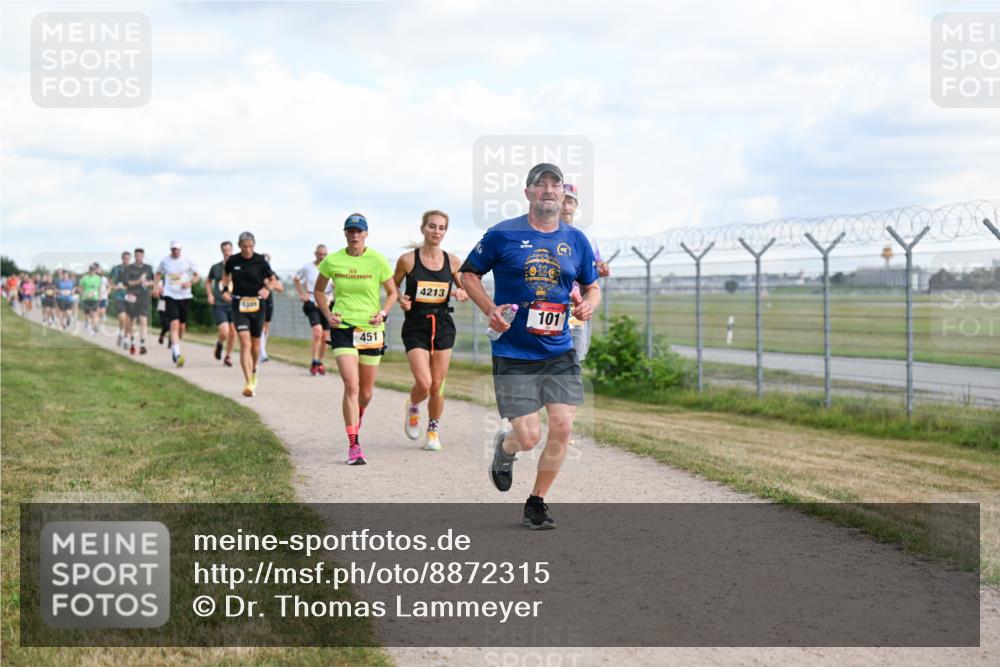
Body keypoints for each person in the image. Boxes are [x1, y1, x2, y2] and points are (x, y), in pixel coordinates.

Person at [460, 163, 600, 530]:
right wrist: (490, 308)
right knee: (528, 435)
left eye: (555, 184)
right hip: (513, 351)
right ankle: (505, 450)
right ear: (528, 193)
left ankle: (536, 501)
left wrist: (588, 304)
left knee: (563, 427)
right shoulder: (502, 234)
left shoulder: (577, 240)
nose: (549, 190)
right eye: (541, 185)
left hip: (559, 350)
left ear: (562, 194)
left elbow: (592, 286)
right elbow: (468, 273)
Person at [313, 213, 398, 465]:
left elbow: (393, 292)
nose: (354, 235)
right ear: (345, 233)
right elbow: (318, 291)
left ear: (366, 234)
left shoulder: (378, 260)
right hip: (344, 328)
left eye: (359, 231)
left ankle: (358, 413)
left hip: (371, 330)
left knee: (366, 391)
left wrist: (383, 313)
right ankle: (354, 445)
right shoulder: (332, 260)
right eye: (350, 231)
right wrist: (327, 314)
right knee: (351, 385)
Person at [392, 210, 468, 451]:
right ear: (423, 228)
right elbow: (392, 286)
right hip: (416, 325)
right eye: (432, 226)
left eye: (441, 228)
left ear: (445, 231)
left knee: (437, 385)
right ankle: (414, 405)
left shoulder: (453, 261)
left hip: (443, 324)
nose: (437, 231)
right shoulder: (408, 260)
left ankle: (433, 430)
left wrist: (461, 292)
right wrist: (400, 300)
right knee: (424, 384)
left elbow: (466, 288)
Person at [222, 232, 278, 397]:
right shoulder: (233, 261)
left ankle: (254, 370)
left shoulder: (260, 260)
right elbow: (226, 276)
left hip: (257, 305)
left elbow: (273, 280)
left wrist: (267, 289)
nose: (247, 249)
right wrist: (225, 290)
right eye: (244, 246)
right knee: (244, 343)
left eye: (250, 246)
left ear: (254, 245)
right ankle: (248, 382)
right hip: (239, 304)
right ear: (239, 246)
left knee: (255, 346)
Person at [560, 183, 610, 362]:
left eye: (570, 202)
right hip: (549, 302)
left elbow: (595, 265)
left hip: (576, 304)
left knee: (575, 355)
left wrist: (601, 268)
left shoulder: (586, 236)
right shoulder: (544, 232)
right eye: (563, 201)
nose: (566, 207)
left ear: (576, 205)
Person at [154, 240, 200, 367]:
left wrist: (190, 283)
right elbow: (157, 274)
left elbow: (197, 276)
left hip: (185, 296)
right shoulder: (165, 261)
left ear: (181, 249)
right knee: (174, 324)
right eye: (173, 249)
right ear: (170, 249)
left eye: (177, 249)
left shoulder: (187, 261)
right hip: (170, 295)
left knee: (181, 327)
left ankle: (175, 343)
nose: (175, 251)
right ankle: (176, 353)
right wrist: (156, 287)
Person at [294, 244, 334, 376]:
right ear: (315, 254)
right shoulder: (307, 267)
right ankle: (314, 360)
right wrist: (302, 294)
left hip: (327, 302)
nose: (322, 257)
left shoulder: (331, 267)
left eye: (324, 254)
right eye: (319, 254)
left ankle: (320, 362)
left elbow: (336, 283)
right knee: (317, 332)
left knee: (325, 337)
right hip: (312, 301)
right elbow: (296, 279)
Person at [206, 241, 237, 366]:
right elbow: (208, 282)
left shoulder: (237, 266)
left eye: (229, 250)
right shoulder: (216, 267)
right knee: (225, 331)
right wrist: (209, 294)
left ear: (232, 250)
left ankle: (228, 356)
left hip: (234, 303)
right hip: (219, 303)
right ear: (222, 251)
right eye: (225, 250)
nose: (227, 252)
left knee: (233, 331)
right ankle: (219, 343)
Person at [122, 248, 154, 355]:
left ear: (143, 256)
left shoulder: (148, 268)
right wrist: (139, 281)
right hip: (132, 296)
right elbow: (127, 283)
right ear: (134, 256)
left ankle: (142, 344)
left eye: (141, 256)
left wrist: (148, 283)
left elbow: (153, 281)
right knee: (132, 321)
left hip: (144, 297)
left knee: (143, 320)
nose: (139, 258)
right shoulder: (129, 268)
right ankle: (132, 343)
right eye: (137, 256)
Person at [258, 253, 283, 362]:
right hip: (257, 301)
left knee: (266, 327)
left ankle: (262, 348)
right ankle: (262, 352)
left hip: (268, 302)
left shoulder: (272, 274)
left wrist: (269, 284)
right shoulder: (256, 272)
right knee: (260, 327)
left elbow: (280, 288)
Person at [110, 251, 131, 349]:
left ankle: (124, 338)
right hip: (119, 296)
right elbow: (110, 279)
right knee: (123, 319)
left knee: (128, 320)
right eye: (125, 258)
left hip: (130, 297)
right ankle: (122, 335)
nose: (126, 260)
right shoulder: (116, 268)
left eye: (128, 258)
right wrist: (114, 286)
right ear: (122, 258)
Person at [79, 263, 102, 336]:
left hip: (95, 298)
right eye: (91, 270)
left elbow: (99, 288)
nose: (92, 271)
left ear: (95, 270)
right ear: (89, 270)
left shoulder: (98, 278)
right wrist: (84, 294)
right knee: (87, 314)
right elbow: (80, 288)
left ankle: (92, 330)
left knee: (94, 314)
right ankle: (87, 322)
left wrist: (99, 296)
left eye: (93, 270)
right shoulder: (84, 278)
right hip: (86, 298)